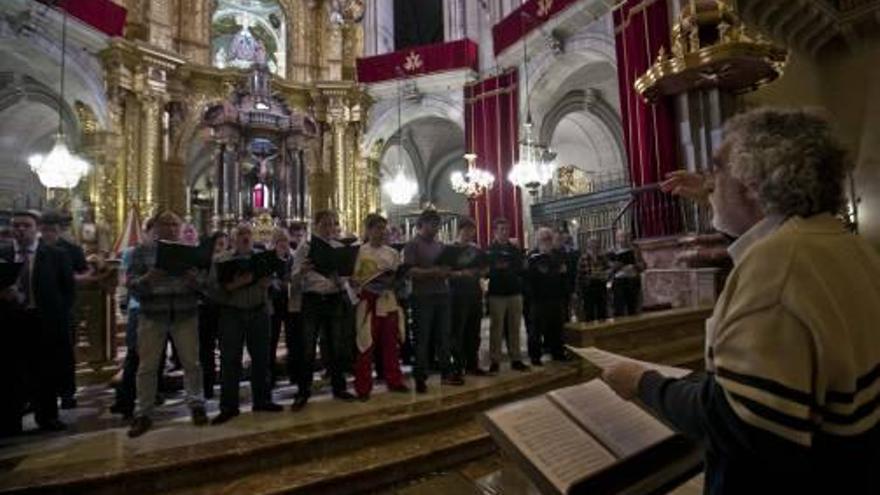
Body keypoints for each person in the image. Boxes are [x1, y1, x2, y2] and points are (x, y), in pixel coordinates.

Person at [602, 108, 880, 493]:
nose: (709, 183)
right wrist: (712, 200)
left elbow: (735, 422)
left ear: (750, 184)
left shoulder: (778, 267)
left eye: (717, 172)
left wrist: (642, 383)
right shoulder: (845, 245)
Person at [126, 212, 206, 438]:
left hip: (184, 313)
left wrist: (194, 281)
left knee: (192, 363)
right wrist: (148, 278)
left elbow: (204, 285)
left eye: (175, 223)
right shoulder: (141, 252)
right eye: (165, 224)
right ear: (156, 227)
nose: (171, 228)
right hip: (153, 314)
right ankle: (144, 412)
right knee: (148, 366)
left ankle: (196, 404)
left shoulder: (190, 252)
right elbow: (131, 285)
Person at [0, 210, 74, 433]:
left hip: (42, 321)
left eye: (26, 226)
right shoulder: (3, 253)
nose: (20, 230)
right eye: (16, 226)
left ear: (37, 228)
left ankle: (47, 416)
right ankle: (9, 420)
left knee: (45, 371)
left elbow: (67, 289)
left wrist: (59, 316)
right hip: (9, 321)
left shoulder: (55, 254)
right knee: (9, 372)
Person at [210, 223, 283, 425]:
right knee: (230, 360)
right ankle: (229, 406)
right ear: (233, 239)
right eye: (240, 234)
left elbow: (276, 283)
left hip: (259, 311)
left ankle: (262, 400)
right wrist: (236, 284)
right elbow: (212, 290)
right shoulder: (222, 259)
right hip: (232, 313)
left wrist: (269, 283)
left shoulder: (263, 257)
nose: (245, 237)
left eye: (248, 233)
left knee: (261, 358)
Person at [290, 210, 356, 410]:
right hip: (312, 299)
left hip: (333, 297)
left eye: (332, 224)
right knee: (308, 347)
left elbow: (346, 277)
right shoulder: (306, 247)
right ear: (316, 226)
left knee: (336, 345)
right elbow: (293, 278)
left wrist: (341, 279)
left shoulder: (338, 248)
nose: (329, 228)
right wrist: (302, 271)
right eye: (325, 224)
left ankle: (339, 386)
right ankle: (303, 391)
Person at [351, 214, 409, 400]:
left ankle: (394, 380)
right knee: (366, 344)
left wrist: (397, 279)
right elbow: (353, 278)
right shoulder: (360, 251)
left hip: (388, 299)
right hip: (368, 300)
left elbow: (398, 277)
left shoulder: (392, 253)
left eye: (383, 228)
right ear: (368, 230)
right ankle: (363, 387)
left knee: (390, 343)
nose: (381, 232)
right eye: (377, 228)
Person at [38, 211, 91, 409]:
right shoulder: (36, 248)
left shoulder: (71, 249)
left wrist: (71, 278)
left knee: (65, 353)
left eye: (52, 230)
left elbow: (84, 272)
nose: (48, 234)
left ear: (60, 230)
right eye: (44, 230)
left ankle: (67, 394)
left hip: (64, 309)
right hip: (38, 310)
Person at [404, 209, 459, 393]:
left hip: (442, 294)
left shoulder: (440, 245)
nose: (436, 228)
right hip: (422, 297)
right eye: (433, 224)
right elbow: (410, 271)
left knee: (444, 336)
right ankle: (420, 378)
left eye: (437, 224)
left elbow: (447, 268)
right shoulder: (412, 245)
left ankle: (446, 373)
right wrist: (432, 272)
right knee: (422, 338)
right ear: (422, 224)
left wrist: (448, 270)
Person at [486, 218, 529, 373]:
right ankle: (494, 360)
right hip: (497, 293)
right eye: (501, 229)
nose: (504, 232)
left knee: (514, 327)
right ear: (495, 232)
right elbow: (487, 271)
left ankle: (516, 358)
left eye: (506, 229)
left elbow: (521, 268)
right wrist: (498, 267)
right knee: (496, 328)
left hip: (514, 291)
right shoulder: (490, 249)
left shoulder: (514, 249)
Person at [449, 218, 487, 376]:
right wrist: (460, 273)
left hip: (474, 293)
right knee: (458, 331)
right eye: (467, 231)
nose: (470, 234)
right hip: (457, 294)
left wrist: (480, 272)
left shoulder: (476, 250)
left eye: (472, 231)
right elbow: (445, 271)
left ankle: (473, 363)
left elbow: (484, 269)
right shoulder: (450, 250)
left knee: (474, 330)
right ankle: (458, 364)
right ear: (460, 230)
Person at [525, 227, 569, 365]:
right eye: (543, 239)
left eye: (549, 238)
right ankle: (535, 357)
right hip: (538, 298)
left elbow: (563, 274)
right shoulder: (532, 256)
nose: (547, 241)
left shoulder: (557, 254)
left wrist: (562, 272)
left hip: (555, 296)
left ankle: (558, 353)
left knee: (556, 327)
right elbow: (526, 277)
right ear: (537, 240)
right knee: (536, 330)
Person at [197, 231, 228, 399]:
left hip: (224, 309)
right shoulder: (204, 263)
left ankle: (226, 385)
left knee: (226, 350)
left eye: (224, 244)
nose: (221, 248)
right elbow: (200, 284)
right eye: (219, 244)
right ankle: (207, 387)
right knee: (206, 351)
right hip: (207, 309)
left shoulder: (229, 261)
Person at [268, 228, 293, 387]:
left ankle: (293, 372)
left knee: (293, 339)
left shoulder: (293, 257)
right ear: (274, 243)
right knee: (272, 339)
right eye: (279, 241)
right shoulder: (269, 258)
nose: (283, 244)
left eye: (285, 240)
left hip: (290, 302)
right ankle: (271, 375)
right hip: (274, 303)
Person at [608, 230, 644, 317]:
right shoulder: (612, 251)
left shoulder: (635, 250)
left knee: (633, 306)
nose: (624, 239)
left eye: (626, 237)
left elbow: (643, 264)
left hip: (632, 279)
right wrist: (616, 266)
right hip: (619, 280)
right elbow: (608, 268)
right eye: (621, 236)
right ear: (616, 238)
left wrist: (636, 265)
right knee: (619, 307)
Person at [576, 238, 611, 322]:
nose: (594, 246)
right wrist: (591, 276)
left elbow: (609, 269)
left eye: (596, 245)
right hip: (589, 287)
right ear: (588, 246)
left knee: (602, 310)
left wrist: (605, 274)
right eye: (592, 245)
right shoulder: (583, 258)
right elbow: (580, 275)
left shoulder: (602, 257)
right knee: (589, 311)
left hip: (601, 286)